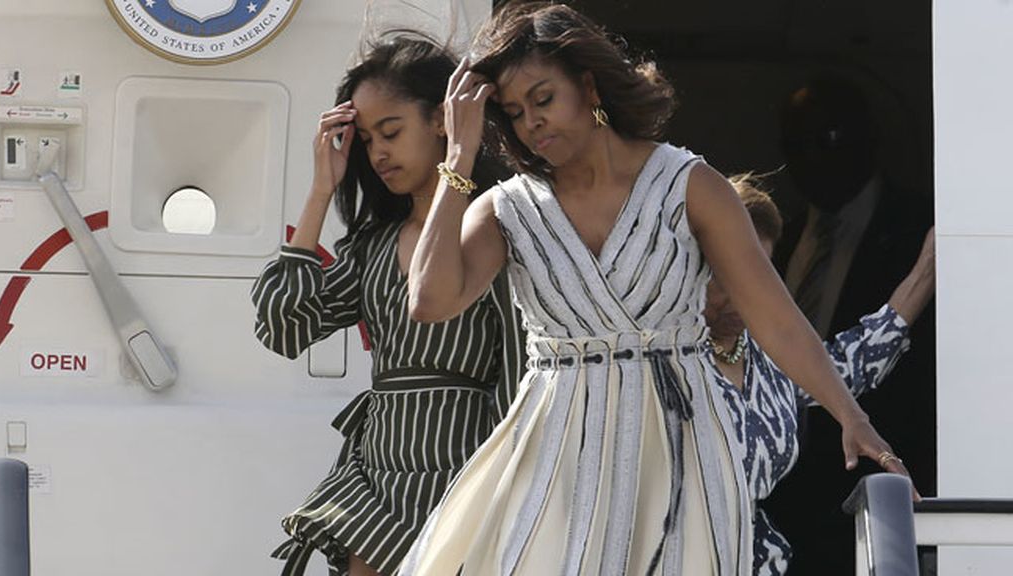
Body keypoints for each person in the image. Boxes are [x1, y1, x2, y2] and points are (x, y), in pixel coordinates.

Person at [399, 4, 910, 574]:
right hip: (558, 448)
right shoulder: (508, 209)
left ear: (588, 86)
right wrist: (457, 160)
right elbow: (431, 300)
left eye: (543, 99)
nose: (532, 123)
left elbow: (778, 319)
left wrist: (852, 417)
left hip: (682, 445)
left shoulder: (689, 185)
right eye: (515, 113)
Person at [250, 36, 526, 576]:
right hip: (378, 469)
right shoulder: (373, 246)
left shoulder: (499, 231)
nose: (377, 152)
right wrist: (320, 190)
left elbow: (520, 373)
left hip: (469, 466)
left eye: (392, 132)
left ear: (442, 121)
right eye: (368, 139)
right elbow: (281, 326)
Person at [705, 174, 934, 575]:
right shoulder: (659, 358)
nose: (743, 295)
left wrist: (926, 272)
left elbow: (852, 361)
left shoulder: (772, 359)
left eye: (759, 278)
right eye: (725, 278)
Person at [769, 76, 936, 575]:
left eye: (830, 139)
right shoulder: (776, 238)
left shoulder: (920, 230)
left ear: (870, 138)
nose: (812, 158)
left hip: (880, 494)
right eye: (796, 146)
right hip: (784, 502)